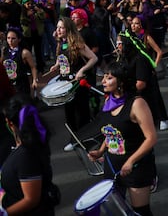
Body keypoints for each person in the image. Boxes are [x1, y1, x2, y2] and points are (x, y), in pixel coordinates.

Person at [88, 61, 157, 216]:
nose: (103, 81)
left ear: (121, 82)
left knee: (141, 212)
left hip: (136, 167)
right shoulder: (108, 101)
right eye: (104, 77)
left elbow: (151, 138)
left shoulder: (137, 104)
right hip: (112, 165)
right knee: (117, 210)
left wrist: (131, 161)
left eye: (109, 78)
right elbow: (111, 133)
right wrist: (100, 151)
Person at [1, 94, 55, 215]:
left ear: (10, 124)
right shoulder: (27, 146)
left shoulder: (26, 156)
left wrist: (5, 213)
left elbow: (31, 199)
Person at [49, 17, 98, 151]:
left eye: (61, 28)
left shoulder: (77, 43)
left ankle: (85, 138)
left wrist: (82, 70)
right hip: (66, 82)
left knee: (81, 112)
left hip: (77, 83)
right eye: (57, 27)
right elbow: (62, 58)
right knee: (69, 112)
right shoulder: (61, 43)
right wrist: (56, 65)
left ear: (68, 29)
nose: (58, 30)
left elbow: (94, 58)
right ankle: (75, 139)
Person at [1, 27, 38, 95]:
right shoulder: (4, 50)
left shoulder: (24, 52)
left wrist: (34, 80)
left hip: (21, 85)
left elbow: (33, 67)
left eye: (13, 38)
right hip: (9, 85)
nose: (10, 40)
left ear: (19, 39)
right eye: (8, 38)